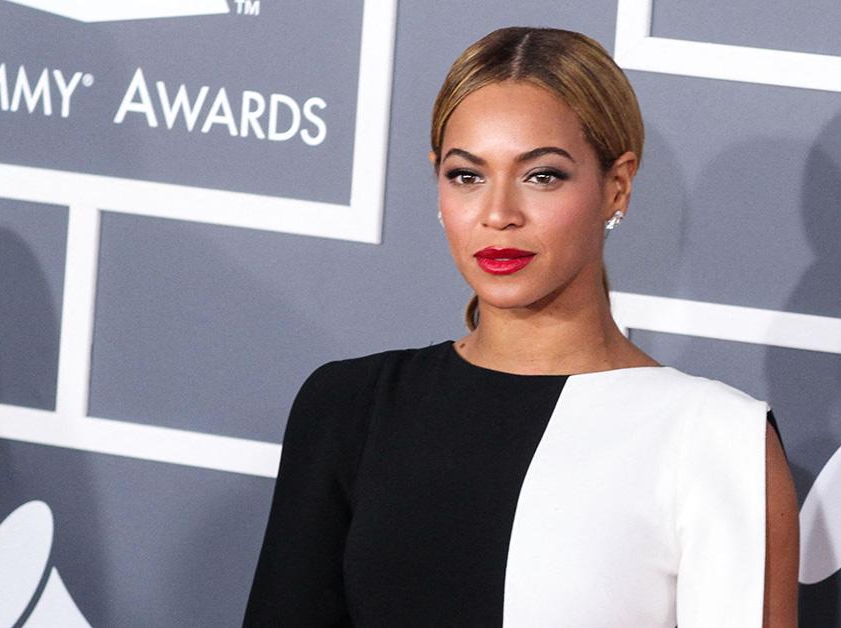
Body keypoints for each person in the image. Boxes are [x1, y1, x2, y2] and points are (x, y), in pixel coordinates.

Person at [243, 26, 799, 627]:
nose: (499, 214)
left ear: (617, 185)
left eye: (542, 176)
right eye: (467, 175)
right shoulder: (349, 408)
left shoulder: (714, 441)